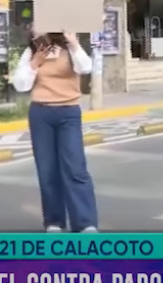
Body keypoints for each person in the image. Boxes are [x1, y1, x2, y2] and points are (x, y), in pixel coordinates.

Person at [12, 31, 99, 233]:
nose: (36, 29)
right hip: (41, 114)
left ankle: (85, 223)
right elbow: (20, 84)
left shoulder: (69, 48)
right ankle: (54, 222)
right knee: (47, 170)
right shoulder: (32, 52)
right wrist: (35, 63)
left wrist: (74, 42)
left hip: (69, 112)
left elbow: (86, 67)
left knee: (75, 168)